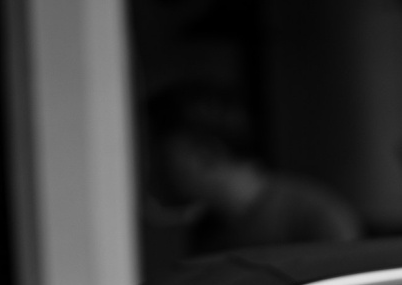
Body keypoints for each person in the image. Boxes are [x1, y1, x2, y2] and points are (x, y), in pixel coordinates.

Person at [150, 86, 362, 254]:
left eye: (164, 158)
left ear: (207, 153)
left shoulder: (315, 218)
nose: (157, 170)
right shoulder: (206, 229)